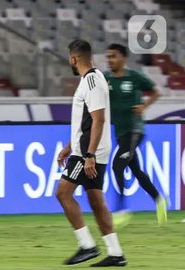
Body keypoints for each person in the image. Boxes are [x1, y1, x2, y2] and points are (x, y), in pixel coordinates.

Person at [56, 40, 127, 267]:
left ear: (74, 59)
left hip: (88, 152)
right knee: (96, 200)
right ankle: (116, 254)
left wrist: (88, 155)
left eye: (70, 57)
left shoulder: (93, 82)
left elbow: (98, 120)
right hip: (88, 149)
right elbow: (85, 121)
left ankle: (87, 246)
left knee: (63, 193)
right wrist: (68, 146)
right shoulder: (91, 80)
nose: (70, 61)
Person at [105, 43, 166, 227]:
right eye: (108, 56)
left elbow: (156, 92)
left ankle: (121, 209)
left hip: (135, 130)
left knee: (117, 164)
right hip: (121, 133)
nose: (110, 60)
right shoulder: (105, 79)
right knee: (136, 171)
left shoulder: (134, 77)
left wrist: (144, 107)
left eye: (114, 56)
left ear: (123, 58)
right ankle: (159, 200)